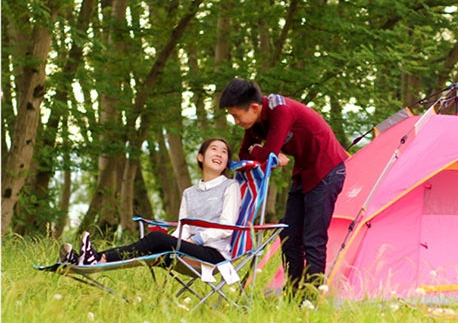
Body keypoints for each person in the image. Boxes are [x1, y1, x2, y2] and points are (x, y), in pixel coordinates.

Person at [219, 77, 347, 295]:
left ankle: (311, 297)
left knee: (313, 239)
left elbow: (267, 154)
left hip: (327, 170)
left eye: (236, 116)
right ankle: (293, 292)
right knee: (288, 236)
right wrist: (265, 151)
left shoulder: (281, 110)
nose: (236, 122)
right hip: (303, 174)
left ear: (254, 107)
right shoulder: (254, 123)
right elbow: (246, 153)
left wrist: (264, 151)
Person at [60, 138, 241, 266]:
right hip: (187, 249)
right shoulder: (189, 193)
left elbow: (226, 226)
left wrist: (197, 239)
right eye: (214, 149)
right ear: (200, 157)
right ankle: (90, 259)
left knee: (156, 239)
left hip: (213, 254)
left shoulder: (230, 186)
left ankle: (97, 258)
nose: (219, 154)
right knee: (156, 243)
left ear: (226, 163)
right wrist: (175, 240)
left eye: (224, 152)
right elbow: (183, 226)